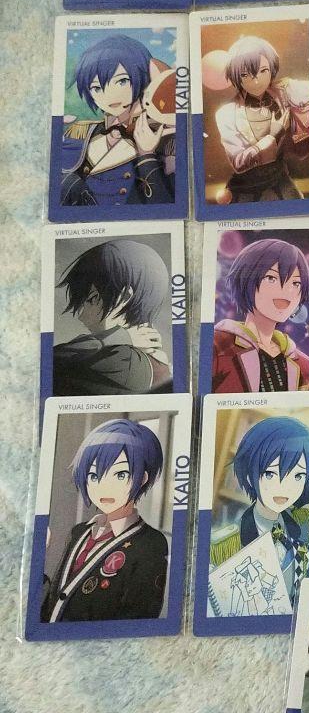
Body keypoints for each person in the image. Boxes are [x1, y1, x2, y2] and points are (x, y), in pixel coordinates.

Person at [42, 418, 167, 622]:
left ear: (142, 479)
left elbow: (139, 620)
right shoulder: (79, 532)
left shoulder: (150, 543)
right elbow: (54, 599)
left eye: (120, 475)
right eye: (94, 476)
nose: (104, 487)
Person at [209, 417, 309, 607]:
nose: (284, 487)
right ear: (249, 476)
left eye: (298, 476)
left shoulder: (306, 522)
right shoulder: (224, 544)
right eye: (270, 474)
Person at [62, 33, 176, 207]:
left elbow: (168, 207)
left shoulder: (167, 136)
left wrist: (147, 155)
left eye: (122, 81)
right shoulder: (82, 132)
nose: (109, 95)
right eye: (96, 88)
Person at [53, 239, 171, 396]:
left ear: (124, 297)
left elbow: (45, 364)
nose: (82, 316)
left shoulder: (122, 359)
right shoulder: (156, 364)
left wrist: (118, 338)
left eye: (92, 299)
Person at [212, 238, 309, 393]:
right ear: (247, 279)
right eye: (272, 278)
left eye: (296, 283)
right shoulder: (217, 345)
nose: (286, 291)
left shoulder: (304, 365)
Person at [212, 35, 309, 204]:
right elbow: (238, 163)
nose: (256, 81)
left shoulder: (284, 91)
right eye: (245, 75)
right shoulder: (227, 113)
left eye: (263, 71)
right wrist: (272, 135)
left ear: (272, 68)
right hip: (245, 189)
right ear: (236, 75)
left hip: (281, 180)